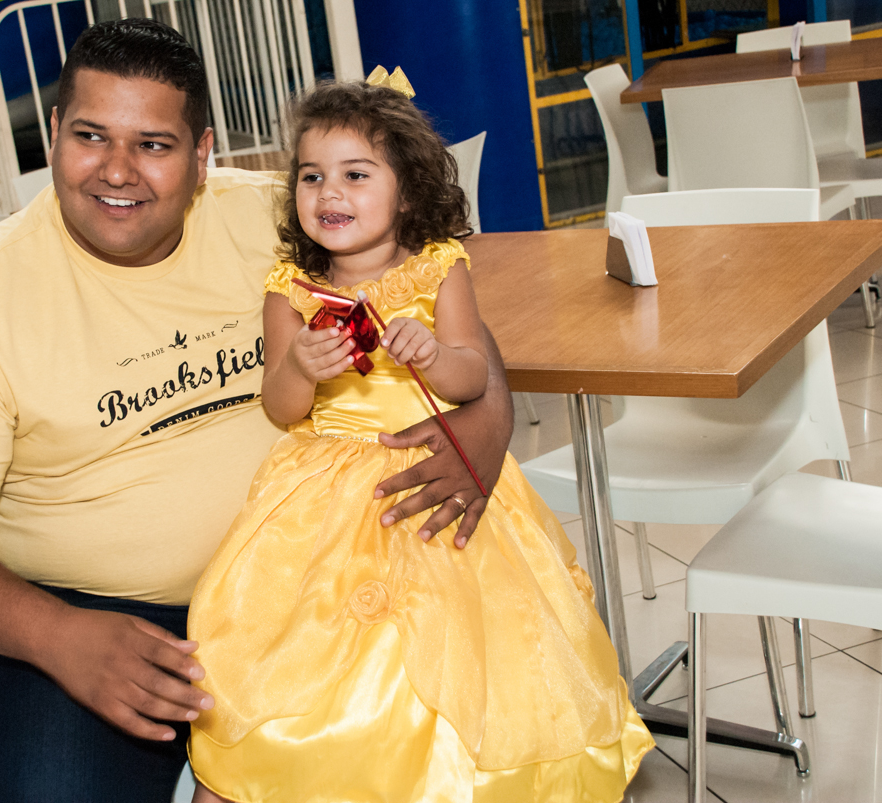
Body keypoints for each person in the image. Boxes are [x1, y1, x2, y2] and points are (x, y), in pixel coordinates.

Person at [0, 19, 514, 802]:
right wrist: (56, 636)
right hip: (102, 620)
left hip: (319, 579)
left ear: (203, 155)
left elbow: (446, 309)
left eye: (154, 144)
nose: (117, 170)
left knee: (455, 752)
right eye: (90, 135)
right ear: (51, 136)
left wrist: (484, 427)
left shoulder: (280, 218)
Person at [186, 78, 654, 803]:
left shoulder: (440, 270)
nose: (327, 192)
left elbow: (473, 374)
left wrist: (433, 352)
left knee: (470, 648)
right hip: (323, 494)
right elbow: (281, 407)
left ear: (406, 193)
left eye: (355, 175)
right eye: (311, 176)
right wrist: (301, 366)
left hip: (434, 475)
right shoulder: (291, 289)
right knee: (325, 657)